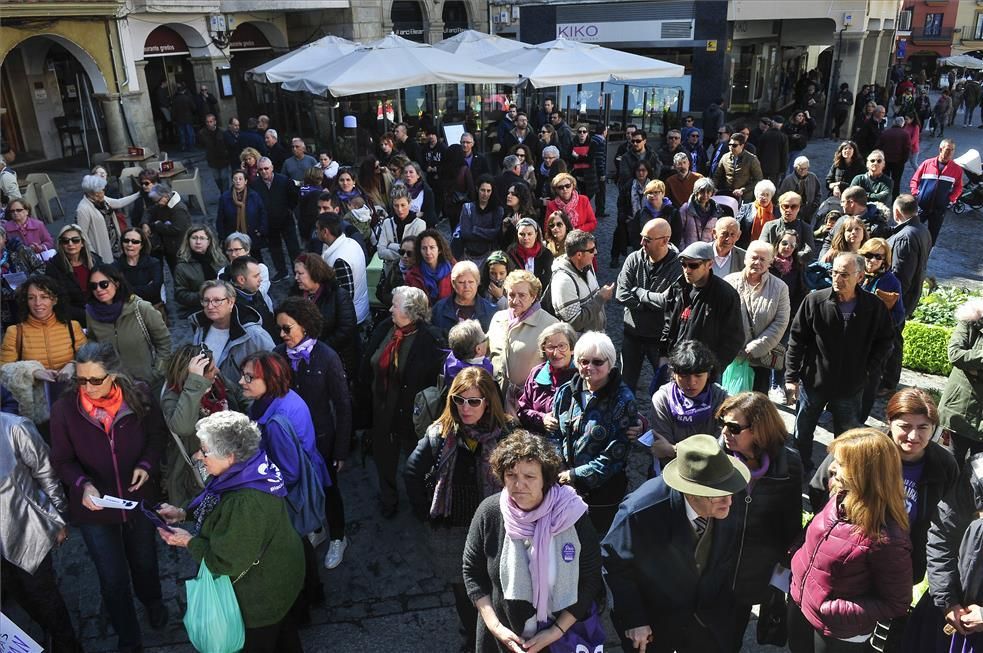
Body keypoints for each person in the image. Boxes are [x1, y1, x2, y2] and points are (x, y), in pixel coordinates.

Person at [50, 342, 168, 653]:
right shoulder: (64, 409)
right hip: (94, 509)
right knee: (112, 577)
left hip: (137, 499)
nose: (86, 388)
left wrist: (145, 465)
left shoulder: (140, 395)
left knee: (144, 561)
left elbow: (157, 437)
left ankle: (153, 600)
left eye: (94, 380)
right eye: (80, 380)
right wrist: (82, 484)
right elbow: (62, 460)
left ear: (113, 374)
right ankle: (129, 638)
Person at [155, 411, 305, 653]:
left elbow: (226, 562)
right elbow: (219, 509)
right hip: (282, 576)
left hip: (261, 596)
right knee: (284, 636)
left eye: (205, 451)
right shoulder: (250, 472)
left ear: (230, 456)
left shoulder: (245, 501)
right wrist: (183, 513)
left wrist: (188, 542)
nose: (199, 456)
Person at [603, 433, 750, 653]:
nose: (729, 501)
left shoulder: (728, 494)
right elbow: (614, 564)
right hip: (655, 623)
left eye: (730, 492)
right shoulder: (639, 513)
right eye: (717, 495)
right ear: (691, 491)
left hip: (709, 621)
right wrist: (635, 619)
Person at [462, 429, 605, 653]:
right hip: (504, 636)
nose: (519, 485)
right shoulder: (489, 512)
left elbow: (591, 579)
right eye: (511, 476)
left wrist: (556, 631)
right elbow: (472, 573)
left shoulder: (572, 515)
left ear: (545, 480)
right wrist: (495, 626)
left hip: (562, 638)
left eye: (529, 477)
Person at [405, 366, 515, 648]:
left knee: (497, 587)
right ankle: (473, 635)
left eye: (473, 401)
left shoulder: (506, 436)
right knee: (464, 591)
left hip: (495, 530)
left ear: (488, 402)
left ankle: (496, 634)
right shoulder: (440, 433)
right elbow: (412, 472)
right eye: (459, 400)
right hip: (453, 530)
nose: (465, 408)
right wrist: (425, 514)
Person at [788, 428, 913, 653]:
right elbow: (815, 530)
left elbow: (897, 603)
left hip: (837, 634)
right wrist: (796, 559)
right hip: (801, 605)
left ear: (866, 473)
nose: (831, 467)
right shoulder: (840, 494)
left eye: (841, 463)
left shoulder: (887, 538)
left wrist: (832, 609)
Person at [786, 252, 895, 473]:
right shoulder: (815, 301)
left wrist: (867, 369)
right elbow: (797, 340)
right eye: (834, 272)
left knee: (846, 438)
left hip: (850, 386)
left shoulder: (874, 307)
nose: (838, 279)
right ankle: (800, 468)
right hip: (814, 382)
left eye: (844, 274)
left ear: (860, 276)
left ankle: (839, 474)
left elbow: (885, 342)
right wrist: (791, 377)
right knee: (803, 431)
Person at [240, 351, 330, 614]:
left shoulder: (276, 423)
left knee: (292, 550)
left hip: (290, 497)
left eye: (249, 377)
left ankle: (302, 603)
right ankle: (313, 591)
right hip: (298, 486)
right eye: (243, 375)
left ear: (270, 379)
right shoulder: (278, 400)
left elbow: (288, 474)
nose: (241, 382)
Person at [717, 392, 803, 651]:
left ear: (759, 430)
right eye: (722, 422)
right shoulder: (715, 455)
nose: (724, 432)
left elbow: (790, 520)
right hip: (714, 564)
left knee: (733, 632)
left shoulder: (789, 464)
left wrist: (784, 569)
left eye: (733, 427)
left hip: (754, 570)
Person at [273, 298, 352, 570]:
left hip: (321, 439)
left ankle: (338, 537)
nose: (282, 335)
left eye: (287, 329)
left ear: (305, 326)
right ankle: (316, 528)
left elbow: (343, 406)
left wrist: (341, 449)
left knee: (329, 489)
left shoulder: (327, 357)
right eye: (280, 329)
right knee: (300, 487)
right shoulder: (278, 355)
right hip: (289, 441)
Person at [0, 412, 83, 653]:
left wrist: (57, 519)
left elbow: (46, 472)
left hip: (28, 533)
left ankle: (68, 645)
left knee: (44, 596)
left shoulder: (15, 428)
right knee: (18, 594)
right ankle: (47, 633)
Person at [362, 286, 443, 517]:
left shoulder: (432, 339)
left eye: (394, 305)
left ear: (410, 310)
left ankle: (422, 503)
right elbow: (369, 361)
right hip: (381, 409)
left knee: (417, 463)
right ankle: (389, 500)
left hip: (411, 416)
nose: (389, 309)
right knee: (383, 458)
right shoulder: (386, 327)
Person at [551, 331, 637, 534]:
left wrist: (574, 475)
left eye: (598, 362)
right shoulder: (565, 392)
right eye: (584, 361)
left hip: (602, 494)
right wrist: (558, 468)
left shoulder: (623, 401)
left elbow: (613, 456)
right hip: (563, 486)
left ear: (611, 363)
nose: (590, 367)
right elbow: (553, 435)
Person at [159, 343, 244, 507]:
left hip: (227, 465)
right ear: (193, 376)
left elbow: (240, 396)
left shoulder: (216, 382)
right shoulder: (171, 397)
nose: (217, 372)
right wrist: (195, 383)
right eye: (211, 370)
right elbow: (183, 428)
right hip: (193, 479)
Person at [643, 240, 744, 371]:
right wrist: (663, 355)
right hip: (675, 364)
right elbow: (669, 324)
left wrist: (713, 368)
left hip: (704, 370)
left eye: (693, 265)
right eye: (683, 265)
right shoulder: (678, 288)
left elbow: (734, 338)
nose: (687, 270)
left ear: (709, 264)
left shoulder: (725, 295)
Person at [0, 275, 87, 426]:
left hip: (75, 404)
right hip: (38, 413)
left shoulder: (73, 327)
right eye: (31, 298)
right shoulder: (15, 332)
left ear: (54, 300)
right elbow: (3, 371)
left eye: (44, 297)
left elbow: (90, 360)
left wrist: (73, 365)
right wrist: (33, 371)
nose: (37, 303)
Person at [616, 217, 681, 394]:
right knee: (626, 383)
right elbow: (621, 294)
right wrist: (650, 303)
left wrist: (638, 292)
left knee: (665, 386)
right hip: (632, 335)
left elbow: (669, 302)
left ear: (665, 240)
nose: (641, 242)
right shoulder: (633, 259)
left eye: (647, 239)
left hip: (660, 339)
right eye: (642, 237)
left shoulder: (678, 266)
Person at [84, 264, 171, 388]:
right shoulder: (91, 314)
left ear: (116, 283)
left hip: (150, 384)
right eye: (93, 286)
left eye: (104, 284)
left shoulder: (140, 308)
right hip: (117, 388)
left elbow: (164, 342)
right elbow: (93, 345)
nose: (98, 289)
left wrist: (156, 373)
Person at [487, 270, 559, 412]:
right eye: (511, 295)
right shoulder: (498, 318)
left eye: (522, 295)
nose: (515, 300)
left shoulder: (550, 325)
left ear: (533, 297)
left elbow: (559, 367)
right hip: (496, 399)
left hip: (529, 403)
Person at [725, 240, 791, 393]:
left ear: (770, 263)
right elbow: (718, 317)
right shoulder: (729, 282)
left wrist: (755, 347)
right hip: (729, 357)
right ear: (745, 258)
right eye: (754, 257)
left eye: (763, 259)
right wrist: (730, 345)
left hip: (761, 360)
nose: (757, 262)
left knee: (756, 409)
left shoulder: (780, 288)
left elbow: (781, 322)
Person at [649, 340, 728, 461]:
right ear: (674, 374)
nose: (691, 383)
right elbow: (662, 450)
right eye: (684, 376)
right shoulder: (662, 399)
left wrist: (674, 450)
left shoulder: (722, 399)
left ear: (709, 374)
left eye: (698, 376)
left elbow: (719, 449)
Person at [190, 280, 275, 387]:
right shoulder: (200, 328)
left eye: (217, 300)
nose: (210, 306)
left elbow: (275, 367)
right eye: (206, 300)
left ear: (231, 302)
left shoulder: (254, 335)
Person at [290, 252, 357, 374]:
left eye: (300, 273)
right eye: (295, 273)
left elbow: (346, 329)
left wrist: (318, 349)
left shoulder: (338, 295)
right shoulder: (295, 295)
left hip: (335, 357)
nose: (296, 277)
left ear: (314, 273)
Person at [938, 297, 983, 464]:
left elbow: (965, 358)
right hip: (959, 412)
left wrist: (974, 367)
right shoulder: (972, 317)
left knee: (978, 481)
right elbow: (956, 354)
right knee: (947, 468)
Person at [516, 322, 578, 435]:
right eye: (550, 347)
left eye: (562, 346)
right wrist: (542, 418)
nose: (556, 353)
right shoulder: (537, 374)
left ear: (572, 348)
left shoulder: (580, 376)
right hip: (539, 443)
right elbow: (522, 411)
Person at [550, 230, 613, 333]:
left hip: (595, 336)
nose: (596, 252)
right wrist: (601, 298)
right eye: (591, 250)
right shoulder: (563, 281)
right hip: (580, 344)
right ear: (579, 255)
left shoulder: (587, 266)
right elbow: (575, 322)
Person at [251, 156, 301, 281]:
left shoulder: (284, 180)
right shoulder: (255, 184)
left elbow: (294, 197)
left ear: (272, 168)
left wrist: (288, 209)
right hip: (269, 222)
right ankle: (282, 271)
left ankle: (299, 272)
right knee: (274, 249)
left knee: (293, 248)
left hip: (285, 220)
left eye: (266, 168)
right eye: (261, 169)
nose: (264, 172)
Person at [910, 138, 963, 247]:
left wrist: (951, 199)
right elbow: (915, 180)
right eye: (948, 149)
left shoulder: (956, 169)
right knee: (912, 232)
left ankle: (925, 258)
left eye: (952, 150)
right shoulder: (927, 164)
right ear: (940, 149)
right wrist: (916, 194)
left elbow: (959, 187)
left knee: (932, 238)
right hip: (922, 207)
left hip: (939, 210)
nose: (950, 153)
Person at [75, 174, 140, 262]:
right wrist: (93, 255)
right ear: (95, 193)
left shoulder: (102, 199)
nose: (104, 191)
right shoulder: (83, 209)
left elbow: (118, 203)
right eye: (102, 190)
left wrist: (138, 194)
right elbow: (83, 234)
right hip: (102, 248)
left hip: (114, 244)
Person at [44, 224, 101, 323]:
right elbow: (56, 301)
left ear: (82, 243)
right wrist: (87, 314)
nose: (70, 244)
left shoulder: (95, 260)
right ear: (61, 244)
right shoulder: (53, 267)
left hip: (101, 310)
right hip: (75, 318)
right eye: (65, 241)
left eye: (75, 240)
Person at [174, 225, 227, 318]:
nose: (198, 242)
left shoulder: (220, 261)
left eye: (202, 238)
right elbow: (180, 295)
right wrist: (206, 296)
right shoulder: (182, 266)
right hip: (199, 311)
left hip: (224, 308)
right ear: (188, 240)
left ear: (209, 241)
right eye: (194, 238)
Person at [431, 260, 497, 333]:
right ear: (453, 283)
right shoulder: (439, 309)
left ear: (477, 282)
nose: (466, 286)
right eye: (461, 282)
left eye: (471, 282)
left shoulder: (491, 311)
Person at [377, 185, 427, 276]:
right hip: (391, 273)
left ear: (409, 204)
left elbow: (415, 253)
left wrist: (391, 246)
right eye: (396, 205)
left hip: (411, 273)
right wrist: (404, 252)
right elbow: (380, 252)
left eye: (403, 205)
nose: (400, 209)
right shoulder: (387, 223)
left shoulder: (420, 224)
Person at [144, 183, 193, 273]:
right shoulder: (162, 204)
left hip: (179, 249)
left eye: (158, 201)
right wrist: (145, 223)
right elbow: (150, 211)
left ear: (166, 196)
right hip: (169, 248)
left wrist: (158, 225)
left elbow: (177, 229)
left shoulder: (178, 209)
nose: (157, 204)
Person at [226, 255, 277, 339]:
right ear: (241, 280)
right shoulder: (234, 307)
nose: (260, 279)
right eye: (256, 276)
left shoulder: (253, 291)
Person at [456, 174, 502, 266]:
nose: (485, 194)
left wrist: (475, 229)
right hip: (469, 255)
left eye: (488, 191)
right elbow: (465, 233)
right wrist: (487, 233)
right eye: (483, 190)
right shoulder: (467, 208)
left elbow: (496, 233)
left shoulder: (497, 210)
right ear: (477, 189)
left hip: (488, 255)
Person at [115, 227, 164, 311]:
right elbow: (115, 292)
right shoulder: (115, 266)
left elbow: (155, 289)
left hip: (152, 310)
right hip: (125, 311)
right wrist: (145, 288)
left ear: (141, 245)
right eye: (126, 241)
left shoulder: (154, 263)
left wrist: (127, 289)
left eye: (135, 242)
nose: (130, 244)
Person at [761, 191, 816, 265]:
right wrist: (777, 258)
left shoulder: (805, 228)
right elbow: (762, 246)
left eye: (794, 207)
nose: (789, 210)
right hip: (771, 266)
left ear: (799, 208)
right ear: (780, 207)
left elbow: (809, 251)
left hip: (795, 269)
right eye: (785, 206)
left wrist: (790, 258)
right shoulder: (769, 226)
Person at [404, 229, 456, 305]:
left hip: (448, 314)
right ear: (419, 250)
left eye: (432, 247)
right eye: (424, 248)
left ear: (439, 250)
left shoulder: (455, 271)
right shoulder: (412, 274)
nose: (428, 252)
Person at [217, 169, 267, 247]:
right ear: (232, 181)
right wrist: (222, 236)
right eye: (235, 179)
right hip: (233, 236)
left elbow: (263, 213)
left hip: (252, 235)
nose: (238, 181)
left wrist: (261, 230)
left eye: (240, 179)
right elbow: (220, 219)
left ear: (246, 181)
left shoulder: (254, 196)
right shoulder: (225, 197)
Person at [712, 132, 763, 203]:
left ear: (742, 146)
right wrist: (714, 187)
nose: (731, 147)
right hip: (727, 195)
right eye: (729, 144)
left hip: (744, 197)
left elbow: (759, 179)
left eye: (734, 145)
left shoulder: (751, 159)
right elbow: (717, 175)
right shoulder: (725, 157)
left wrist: (743, 190)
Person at [506, 217, 553, 293]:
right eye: (522, 234)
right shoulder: (511, 254)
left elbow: (549, 279)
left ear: (536, 234)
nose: (526, 238)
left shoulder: (546, 254)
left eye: (529, 234)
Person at [679, 178, 724, 248]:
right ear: (696, 192)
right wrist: (682, 250)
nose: (705, 195)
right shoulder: (685, 209)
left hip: (707, 251)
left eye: (708, 192)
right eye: (702, 192)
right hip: (689, 251)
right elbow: (679, 232)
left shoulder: (716, 210)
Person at [875, 117, 912, 199]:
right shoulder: (905, 134)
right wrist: (903, 160)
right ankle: (895, 198)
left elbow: (879, 146)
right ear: (902, 124)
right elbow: (907, 149)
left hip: (886, 161)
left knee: (884, 180)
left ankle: (883, 196)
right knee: (897, 181)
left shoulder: (886, 132)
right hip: (898, 162)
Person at [778, 156, 822, 224]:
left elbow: (818, 193)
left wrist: (815, 205)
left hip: (808, 212)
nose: (803, 171)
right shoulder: (788, 180)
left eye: (805, 168)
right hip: (793, 213)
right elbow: (781, 198)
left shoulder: (813, 177)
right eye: (801, 169)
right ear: (795, 167)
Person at [735, 179, 777, 249]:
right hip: (746, 247)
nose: (764, 197)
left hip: (767, 249)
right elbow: (737, 226)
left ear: (771, 197)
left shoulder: (776, 211)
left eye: (767, 195)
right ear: (756, 195)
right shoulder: (746, 208)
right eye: (762, 194)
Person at [500, 183, 538, 251]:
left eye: (513, 194)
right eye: (508, 193)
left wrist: (518, 228)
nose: (508, 196)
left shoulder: (529, 216)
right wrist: (504, 228)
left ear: (520, 197)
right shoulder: (508, 213)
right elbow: (503, 242)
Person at [198, 113, 230, 192]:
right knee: (217, 179)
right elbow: (201, 144)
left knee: (224, 178)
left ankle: (225, 195)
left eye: (211, 121)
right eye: (207, 122)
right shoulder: (202, 133)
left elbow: (227, 144)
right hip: (212, 160)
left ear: (215, 122)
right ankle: (222, 192)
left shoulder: (222, 132)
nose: (209, 124)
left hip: (223, 159)